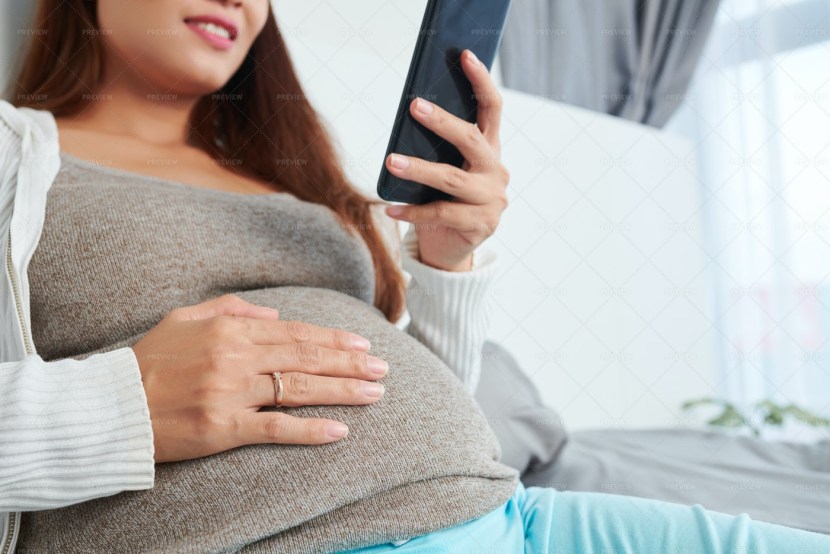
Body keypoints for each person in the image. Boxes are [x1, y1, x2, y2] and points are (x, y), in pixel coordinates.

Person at [1, 1, 829, 552]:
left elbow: (398, 384)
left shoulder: (289, 175)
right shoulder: (13, 151)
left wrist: (447, 259)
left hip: (507, 513)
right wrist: (123, 407)